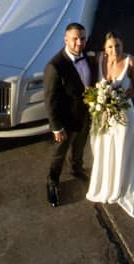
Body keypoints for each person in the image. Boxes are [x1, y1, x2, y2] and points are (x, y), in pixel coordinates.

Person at [41, 23, 95, 206]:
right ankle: (52, 181)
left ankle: (77, 168)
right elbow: (50, 101)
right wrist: (56, 128)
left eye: (82, 38)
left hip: (85, 114)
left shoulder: (88, 57)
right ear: (66, 40)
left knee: (80, 145)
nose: (79, 43)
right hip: (65, 120)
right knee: (59, 153)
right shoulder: (55, 66)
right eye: (75, 39)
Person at [85, 32, 134, 204]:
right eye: (110, 46)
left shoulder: (130, 61)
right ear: (105, 48)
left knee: (120, 147)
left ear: (122, 45)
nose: (114, 49)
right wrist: (96, 98)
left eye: (117, 45)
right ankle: (103, 184)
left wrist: (121, 99)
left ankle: (119, 186)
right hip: (102, 115)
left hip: (123, 114)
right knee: (102, 147)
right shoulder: (99, 59)